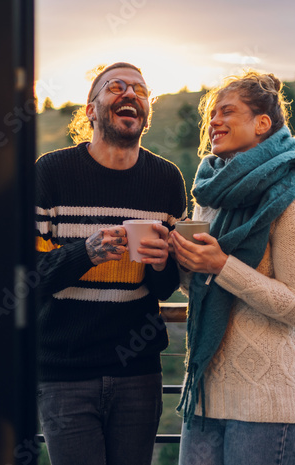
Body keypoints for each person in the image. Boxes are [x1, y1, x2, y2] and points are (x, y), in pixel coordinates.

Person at [169, 70, 295, 465]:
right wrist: (183, 263)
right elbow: (204, 286)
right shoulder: (211, 195)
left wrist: (222, 265)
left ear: (262, 123)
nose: (214, 121)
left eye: (227, 112)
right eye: (212, 115)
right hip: (206, 397)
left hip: (272, 405)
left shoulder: (293, 202)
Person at [35, 62, 186, 465]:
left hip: (138, 372)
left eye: (140, 89)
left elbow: (164, 286)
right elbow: (27, 278)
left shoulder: (166, 179)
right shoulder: (50, 173)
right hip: (65, 372)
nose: (130, 93)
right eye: (115, 86)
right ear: (90, 109)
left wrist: (159, 265)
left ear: (145, 112)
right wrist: (86, 252)